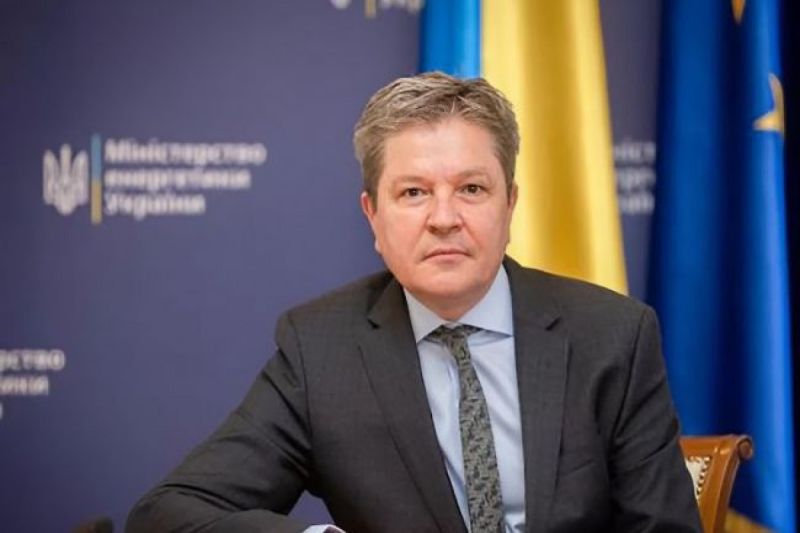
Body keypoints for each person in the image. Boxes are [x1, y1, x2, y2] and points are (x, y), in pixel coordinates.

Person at [127, 72, 701, 532]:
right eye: (414, 192)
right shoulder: (321, 350)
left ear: (509, 206)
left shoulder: (613, 336)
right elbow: (169, 513)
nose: (444, 218)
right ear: (373, 216)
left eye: (471, 189)